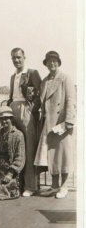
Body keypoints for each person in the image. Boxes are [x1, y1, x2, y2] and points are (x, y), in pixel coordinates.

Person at [34, 51, 76, 199]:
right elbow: (41, 101)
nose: (52, 63)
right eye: (49, 61)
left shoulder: (65, 79)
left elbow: (71, 101)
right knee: (52, 156)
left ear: (58, 62)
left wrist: (69, 122)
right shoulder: (45, 81)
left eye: (55, 61)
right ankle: (54, 185)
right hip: (48, 123)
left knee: (63, 155)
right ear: (46, 64)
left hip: (61, 123)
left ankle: (63, 186)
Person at [7, 48, 41, 197]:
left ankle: (31, 186)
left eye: (19, 57)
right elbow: (11, 96)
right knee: (16, 146)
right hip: (13, 109)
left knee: (29, 146)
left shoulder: (32, 73)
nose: (16, 60)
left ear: (24, 57)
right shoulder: (13, 76)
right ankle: (17, 183)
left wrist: (32, 110)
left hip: (25, 111)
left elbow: (40, 94)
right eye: (14, 58)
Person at [0, 106, 25, 200]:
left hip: (11, 168)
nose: (4, 121)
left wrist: (10, 173)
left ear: (11, 119)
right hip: (0, 167)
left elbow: (20, 156)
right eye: (1, 119)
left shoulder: (18, 134)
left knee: (3, 191)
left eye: (6, 119)